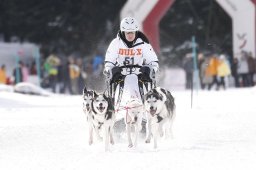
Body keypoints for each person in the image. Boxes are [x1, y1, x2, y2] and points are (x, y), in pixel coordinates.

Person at [103, 17, 159, 102]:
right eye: (127, 33)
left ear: (136, 32)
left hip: (139, 74)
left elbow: (153, 61)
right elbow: (109, 61)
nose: (130, 35)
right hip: (121, 75)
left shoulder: (143, 43)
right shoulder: (116, 43)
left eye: (132, 32)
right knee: (113, 77)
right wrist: (109, 69)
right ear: (123, 32)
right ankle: (114, 104)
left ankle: (147, 103)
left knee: (147, 78)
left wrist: (152, 69)